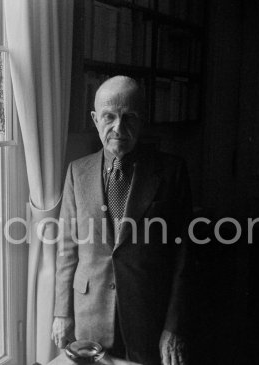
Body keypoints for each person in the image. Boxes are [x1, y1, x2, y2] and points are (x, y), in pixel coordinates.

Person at [51, 76, 193, 365]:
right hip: (89, 317)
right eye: (109, 117)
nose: (118, 128)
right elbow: (66, 250)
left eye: (129, 117)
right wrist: (61, 312)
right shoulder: (77, 172)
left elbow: (184, 257)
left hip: (147, 316)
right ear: (95, 119)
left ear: (142, 121)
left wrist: (173, 326)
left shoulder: (171, 172)